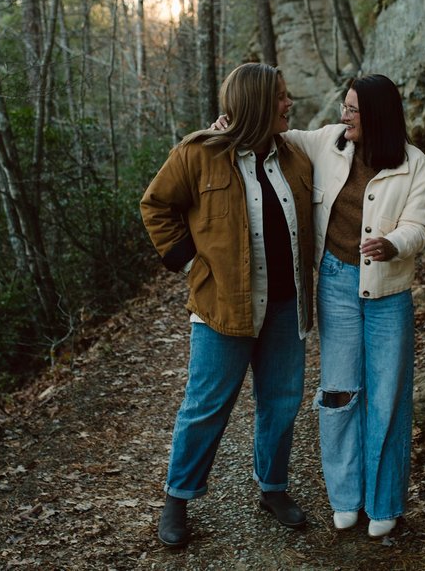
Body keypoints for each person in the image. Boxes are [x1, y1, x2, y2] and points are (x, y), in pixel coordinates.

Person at [214, 74, 425, 537]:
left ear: (374, 116)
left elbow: (419, 225)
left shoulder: (415, 165)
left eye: (352, 109)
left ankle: (385, 503)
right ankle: (345, 497)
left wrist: (393, 243)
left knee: (387, 397)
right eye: (345, 106)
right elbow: (271, 132)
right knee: (339, 392)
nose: (343, 115)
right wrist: (226, 128)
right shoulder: (328, 143)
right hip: (335, 281)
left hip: (388, 289)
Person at [140, 63, 316, 547]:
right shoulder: (200, 153)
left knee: (281, 404)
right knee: (206, 406)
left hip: (284, 306)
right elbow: (155, 204)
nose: (289, 103)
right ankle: (178, 497)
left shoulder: (296, 157)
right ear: (259, 103)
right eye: (281, 97)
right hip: (223, 307)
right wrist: (184, 255)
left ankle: (273, 488)